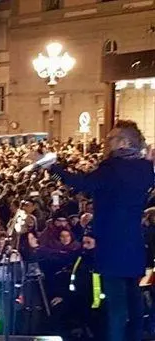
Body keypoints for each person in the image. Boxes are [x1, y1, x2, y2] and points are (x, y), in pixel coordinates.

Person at [49, 120, 154, 341]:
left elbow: (81, 184)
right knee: (134, 304)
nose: (107, 143)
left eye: (111, 139)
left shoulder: (113, 169)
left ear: (124, 142)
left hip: (111, 244)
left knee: (116, 308)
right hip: (133, 242)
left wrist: (52, 169)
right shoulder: (145, 168)